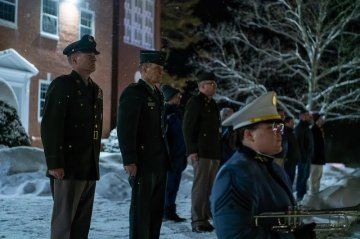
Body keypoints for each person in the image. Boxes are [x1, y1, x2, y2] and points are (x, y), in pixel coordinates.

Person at [210, 91, 316, 239]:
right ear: (249, 135)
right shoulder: (233, 174)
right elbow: (234, 235)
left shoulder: (274, 168)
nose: (280, 133)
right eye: (272, 127)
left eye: (280, 127)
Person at [41, 35, 103, 238]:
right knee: (63, 223)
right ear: (74, 59)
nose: (94, 57)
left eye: (94, 54)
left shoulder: (95, 90)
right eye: (89, 54)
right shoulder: (63, 85)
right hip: (67, 166)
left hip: (87, 166)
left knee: (81, 225)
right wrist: (54, 162)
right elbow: (51, 126)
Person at [117, 50, 169, 239]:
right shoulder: (134, 92)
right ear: (145, 68)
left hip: (158, 161)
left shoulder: (156, 93)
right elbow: (126, 128)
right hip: (143, 161)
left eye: (162, 69)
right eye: (157, 68)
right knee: (141, 212)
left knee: (155, 212)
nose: (161, 72)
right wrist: (129, 159)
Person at [182, 72, 221, 233]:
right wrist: (191, 150)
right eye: (211, 83)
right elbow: (188, 127)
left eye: (214, 83)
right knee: (200, 188)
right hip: (201, 152)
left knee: (209, 188)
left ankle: (205, 218)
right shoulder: (195, 102)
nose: (214, 86)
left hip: (213, 152)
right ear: (202, 86)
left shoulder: (212, 104)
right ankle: (198, 220)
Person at [160, 84, 187, 222]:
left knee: (174, 185)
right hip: (171, 156)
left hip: (179, 155)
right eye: (177, 96)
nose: (180, 97)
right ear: (170, 97)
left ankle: (170, 211)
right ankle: (165, 211)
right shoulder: (166, 113)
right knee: (169, 185)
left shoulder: (177, 112)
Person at [295, 109, 314, 201]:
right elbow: (299, 144)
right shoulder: (299, 128)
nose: (309, 117)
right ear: (301, 116)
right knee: (302, 177)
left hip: (307, 157)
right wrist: (303, 157)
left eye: (308, 115)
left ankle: (303, 195)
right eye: (306, 115)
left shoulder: (307, 128)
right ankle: (300, 196)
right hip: (303, 158)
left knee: (305, 177)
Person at [309, 112, 326, 195]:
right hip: (315, 159)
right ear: (317, 120)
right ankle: (313, 195)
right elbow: (313, 146)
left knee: (318, 177)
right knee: (314, 178)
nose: (322, 120)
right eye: (321, 119)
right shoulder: (314, 131)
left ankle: (316, 194)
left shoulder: (319, 130)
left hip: (319, 158)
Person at [283, 116, 301, 185]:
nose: (293, 123)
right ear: (286, 123)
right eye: (291, 122)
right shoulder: (285, 133)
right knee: (287, 181)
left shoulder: (291, 133)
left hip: (292, 162)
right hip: (288, 163)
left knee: (290, 181)